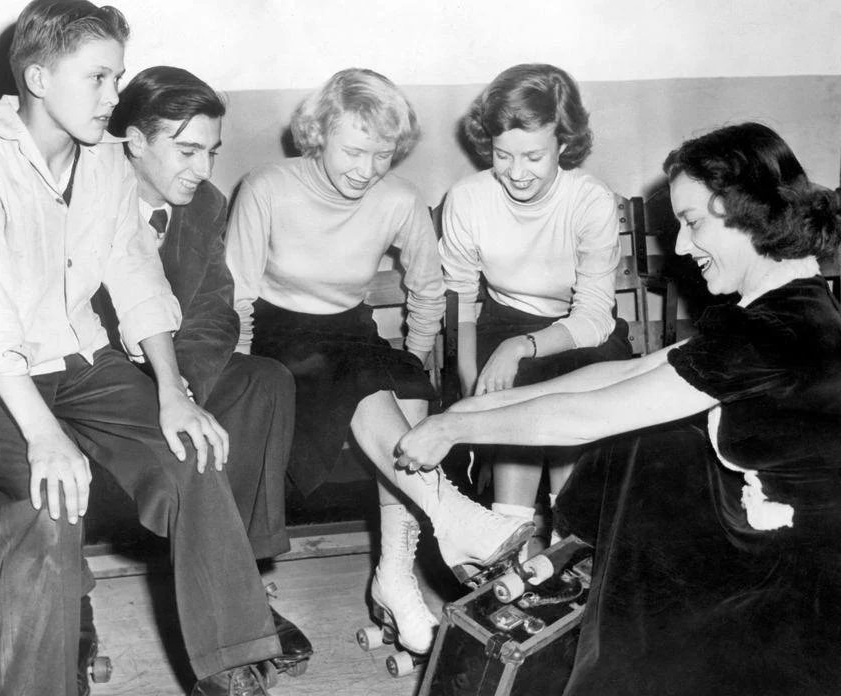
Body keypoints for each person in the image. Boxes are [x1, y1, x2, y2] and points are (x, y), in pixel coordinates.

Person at [397, 122, 841, 695]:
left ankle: (595, 610)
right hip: (777, 535)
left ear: (745, 211)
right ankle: (573, 558)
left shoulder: (773, 330)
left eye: (691, 223)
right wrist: (468, 410)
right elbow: (628, 371)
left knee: (645, 438)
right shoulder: (787, 304)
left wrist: (453, 431)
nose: (680, 247)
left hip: (797, 577)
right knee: (651, 435)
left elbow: (584, 417)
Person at [0, 2, 276, 695]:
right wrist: (48, 438)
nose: (115, 96)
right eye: (99, 78)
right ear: (39, 77)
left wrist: (174, 393)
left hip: (76, 354)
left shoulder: (107, 160)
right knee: (48, 499)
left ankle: (234, 670)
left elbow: (137, 277)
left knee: (193, 453)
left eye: (118, 77)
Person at [225, 68, 534, 657]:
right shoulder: (266, 186)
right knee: (364, 377)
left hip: (350, 333)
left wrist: (412, 361)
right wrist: (238, 376)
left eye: (383, 155)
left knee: (405, 382)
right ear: (318, 134)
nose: (367, 170)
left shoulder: (398, 199)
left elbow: (426, 287)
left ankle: (396, 573)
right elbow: (238, 294)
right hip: (278, 335)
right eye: (354, 150)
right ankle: (450, 517)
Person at [105, 64, 312, 676]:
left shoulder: (206, 205)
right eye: (186, 150)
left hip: (179, 374)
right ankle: (226, 623)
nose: (202, 169)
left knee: (265, 381)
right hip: (106, 380)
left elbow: (213, 311)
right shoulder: (90, 197)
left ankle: (240, 584)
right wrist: (163, 389)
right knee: (191, 437)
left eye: (211, 152)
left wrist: (186, 384)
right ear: (136, 141)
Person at [439, 63, 631, 547]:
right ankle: (512, 544)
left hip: (578, 329)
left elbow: (592, 316)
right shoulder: (467, 198)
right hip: (501, 320)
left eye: (533, 156)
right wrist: (471, 383)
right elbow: (461, 298)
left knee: (572, 395)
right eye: (504, 156)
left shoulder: (590, 200)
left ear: (564, 144)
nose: (517, 173)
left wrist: (520, 347)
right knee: (511, 397)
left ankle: (570, 546)